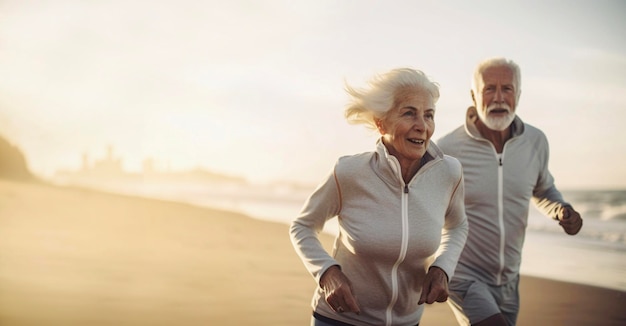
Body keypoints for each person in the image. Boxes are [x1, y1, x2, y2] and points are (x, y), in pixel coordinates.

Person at [289, 67, 469, 326]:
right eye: (409, 113)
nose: (422, 126)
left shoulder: (449, 173)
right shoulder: (349, 172)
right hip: (339, 320)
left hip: (407, 321)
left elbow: (457, 225)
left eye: (429, 115)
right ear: (380, 122)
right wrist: (328, 273)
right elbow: (303, 226)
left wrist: (443, 268)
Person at [437, 57, 584, 326]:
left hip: (510, 280)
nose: (498, 98)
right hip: (464, 274)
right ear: (473, 95)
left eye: (507, 89)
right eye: (489, 89)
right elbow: (423, 207)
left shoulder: (536, 141)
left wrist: (561, 210)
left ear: (518, 94)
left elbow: (543, 188)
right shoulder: (447, 149)